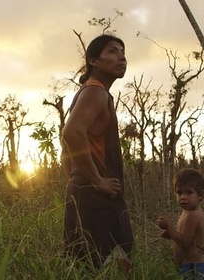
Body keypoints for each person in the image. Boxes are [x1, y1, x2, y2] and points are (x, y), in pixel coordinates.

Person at [61, 34, 134, 272]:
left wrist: (76, 180)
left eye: (122, 52)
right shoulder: (95, 91)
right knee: (115, 266)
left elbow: (67, 146)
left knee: (84, 268)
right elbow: (71, 134)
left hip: (83, 195)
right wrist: (96, 180)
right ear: (93, 60)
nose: (121, 57)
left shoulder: (90, 91)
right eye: (112, 51)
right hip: (98, 199)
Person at [157, 168, 204, 279]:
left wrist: (168, 226)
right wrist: (170, 234)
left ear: (200, 195)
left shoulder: (193, 215)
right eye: (179, 193)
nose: (183, 197)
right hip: (189, 266)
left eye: (189, 192)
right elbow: (186, 237)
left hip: (195, 267)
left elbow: (185, 242)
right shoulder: (186, 212)